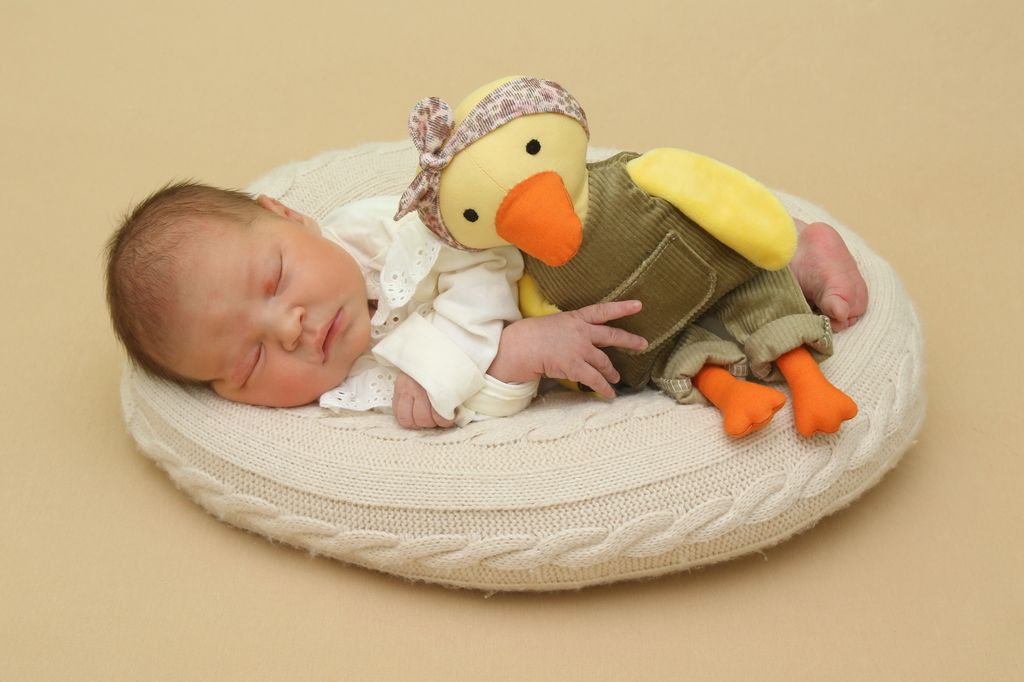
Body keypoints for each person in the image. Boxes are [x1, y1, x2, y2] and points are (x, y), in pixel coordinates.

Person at [105, 182, 866, 430]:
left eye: (274, 281)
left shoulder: (376, 231)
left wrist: (501, 344)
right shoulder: (356, 391)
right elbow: (477, 402)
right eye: (251, 359)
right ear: (233, 396)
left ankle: (792, 247)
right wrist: (511, 364)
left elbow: (472, 249)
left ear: (291, 218)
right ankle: (785, 288)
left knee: (646, 224)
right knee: (662, 331)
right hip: (582, 321)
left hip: (555, 240)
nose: (290, 328)